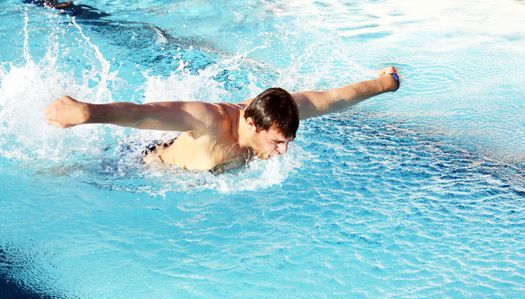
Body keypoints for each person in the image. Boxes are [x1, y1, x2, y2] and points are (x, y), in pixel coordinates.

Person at [46, 66, 401, 172]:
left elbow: (333, 99)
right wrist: (88, 112)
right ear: (250, 123)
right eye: (277, 143)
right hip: (136, 166)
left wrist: (386, 83)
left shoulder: (278, 114)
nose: (282, 153)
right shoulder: (211, 119)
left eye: (287, 143)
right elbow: (144, 114)